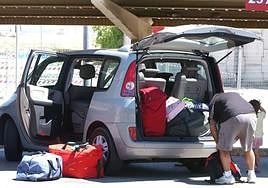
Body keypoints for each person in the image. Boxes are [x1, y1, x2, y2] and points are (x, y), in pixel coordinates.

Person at [208, 92, 257, 184]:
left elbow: (212, 125)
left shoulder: (214, 101)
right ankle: (252, 175)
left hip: (232, 116)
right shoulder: (233, 96)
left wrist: (219, 143)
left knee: (224, 150)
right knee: (248, 148)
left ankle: (228, 177)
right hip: (251, 115)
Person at [249, 99, 266, 172]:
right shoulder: (261, 115)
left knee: (250, 151)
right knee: (256, 151)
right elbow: (264, 111)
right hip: (259, 137)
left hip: (252, 136)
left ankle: (253, 167)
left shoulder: (250, 116)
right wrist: (259, 106)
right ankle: (256, 166)